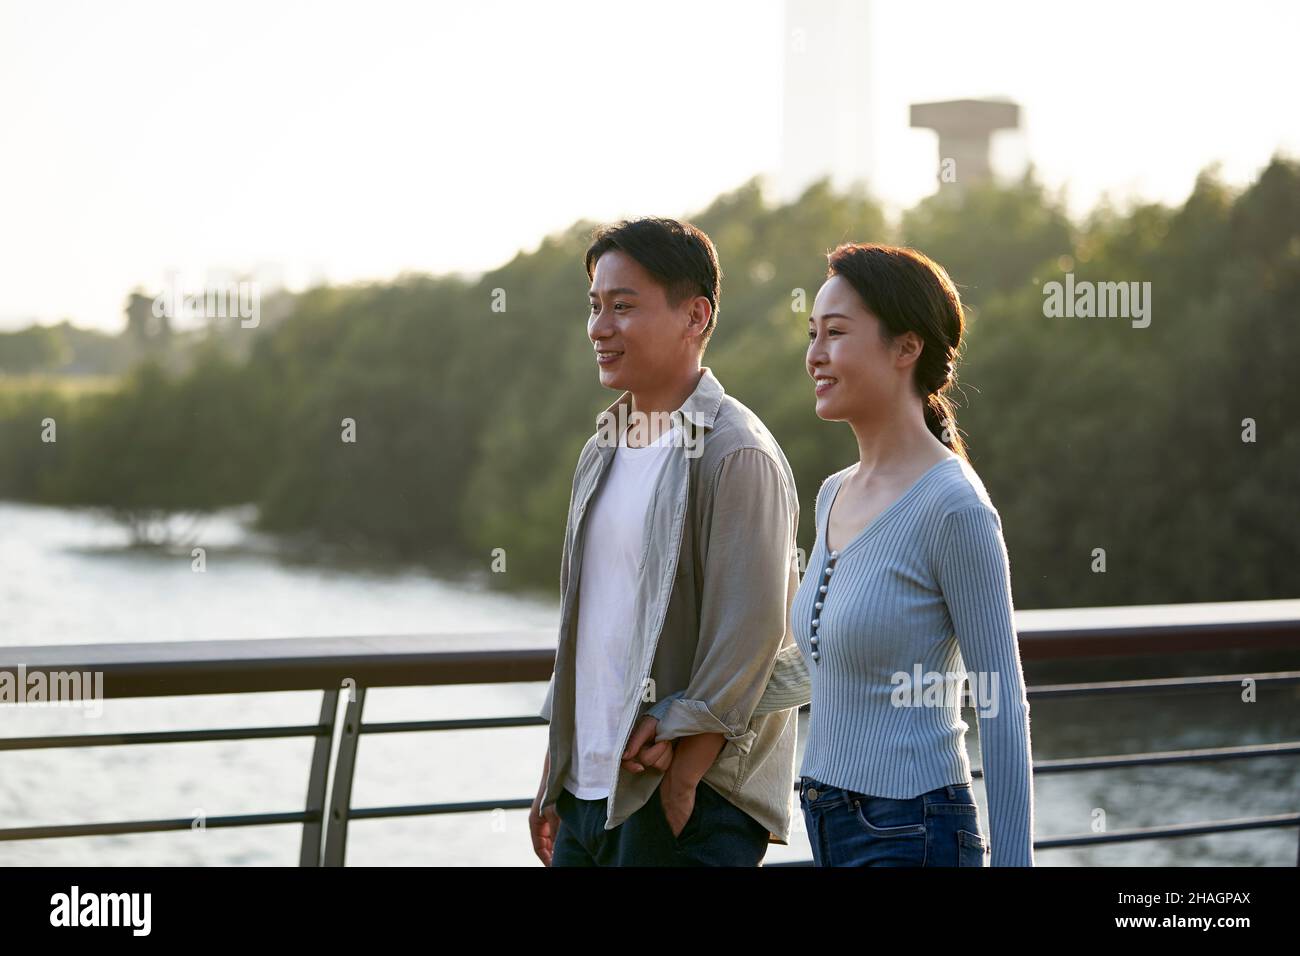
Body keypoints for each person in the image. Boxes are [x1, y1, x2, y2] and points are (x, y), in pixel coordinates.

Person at [632, 242, 1036, 867]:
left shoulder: (954, 508)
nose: (814, 355)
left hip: (914, 829)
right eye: (812, 333)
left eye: (837, 333)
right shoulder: (833, 494)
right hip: (828, 819)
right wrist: (684, 719)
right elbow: (823, 664)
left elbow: (1002, 702)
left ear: (907, 348)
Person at [528, 217, 801, 867]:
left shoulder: (735, 454)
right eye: (594, 307)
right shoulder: (601, 450)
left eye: (623, 307)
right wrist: (554, 775)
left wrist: (682, 775)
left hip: (685, 801)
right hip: (586, 796)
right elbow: (589, 632)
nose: (599, 328)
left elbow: (754, 636)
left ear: (696, 316)